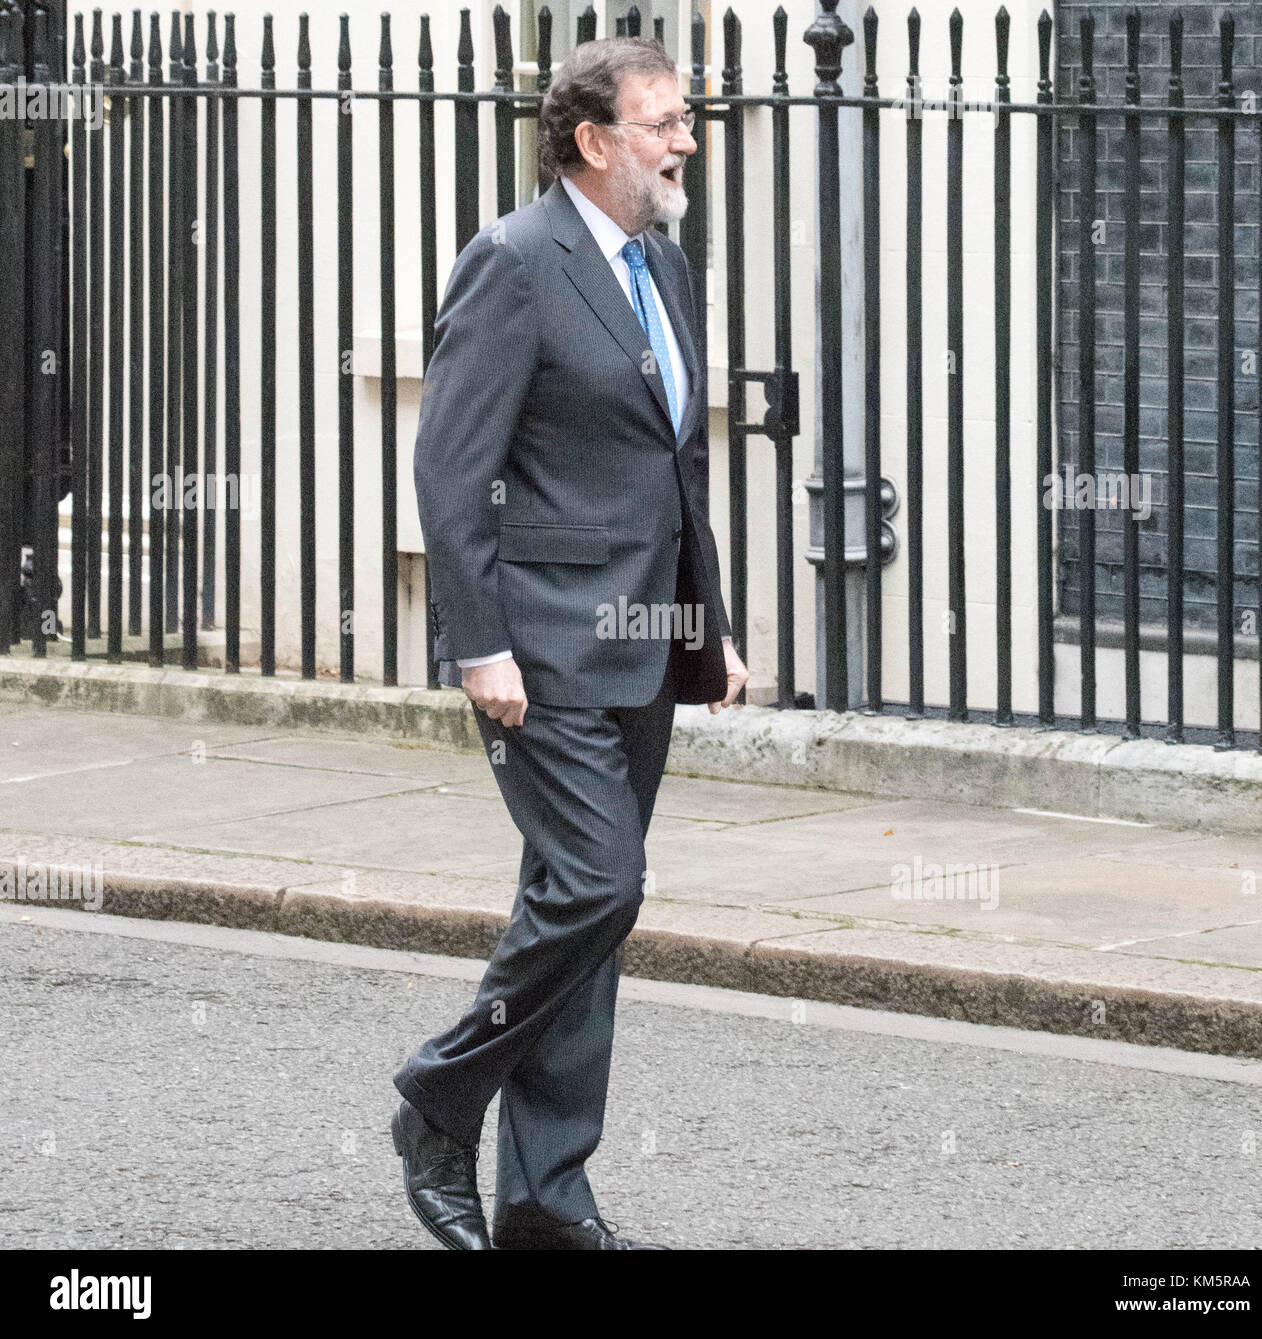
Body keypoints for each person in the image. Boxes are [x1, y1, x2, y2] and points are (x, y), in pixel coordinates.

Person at [392, 35, 748, 1251]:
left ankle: (545, 1203)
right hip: (536, 650)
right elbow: (452, 472)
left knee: (583, 914)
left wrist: (707, 627)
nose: (685, 140)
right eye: (664, 124)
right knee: (600, 883)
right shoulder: (514, 262)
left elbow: (674, 462)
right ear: (594, 142)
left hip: (643, 640)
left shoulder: (663, 257)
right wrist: (476, 644)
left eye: (685, 119)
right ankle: (440, 1093)